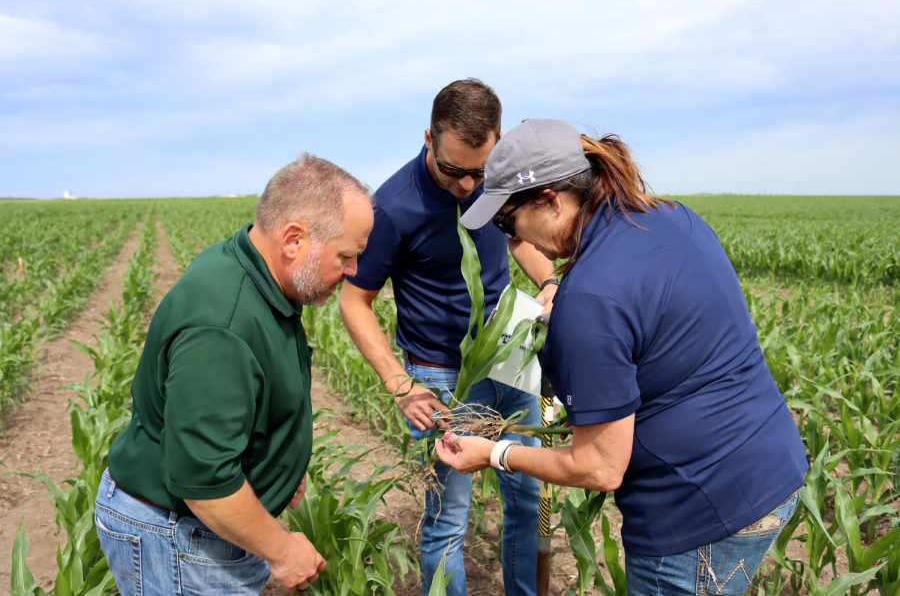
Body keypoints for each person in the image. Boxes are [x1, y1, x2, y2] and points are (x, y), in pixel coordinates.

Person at [436, 118, 808, 596]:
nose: (512, 243)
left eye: (509, 221)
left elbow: (599, 468)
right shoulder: (672, 216)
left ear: (552, 201)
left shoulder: (590, 299)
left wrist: (493, 452)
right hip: (772, 469)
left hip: (695, 512)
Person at [97, 154, 374, 596]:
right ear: (293, 241)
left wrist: (279, 464)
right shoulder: (221, 329)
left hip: (198, 529)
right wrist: (283, 550)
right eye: (347, 255)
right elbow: (203, 480)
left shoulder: (253, 268)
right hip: (180, 537)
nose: (354, 271)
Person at [339, 79, 558, 596]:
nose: (466, 186)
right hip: (442, 376)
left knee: (529, 498)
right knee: (447, 516)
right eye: (453, 170)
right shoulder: (392, 206)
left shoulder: (495, 179)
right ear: (428, 138)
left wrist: (548, 279)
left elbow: (516, 237)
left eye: (479, 171)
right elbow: (355, 302)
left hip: (513, 358)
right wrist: (401, 384)